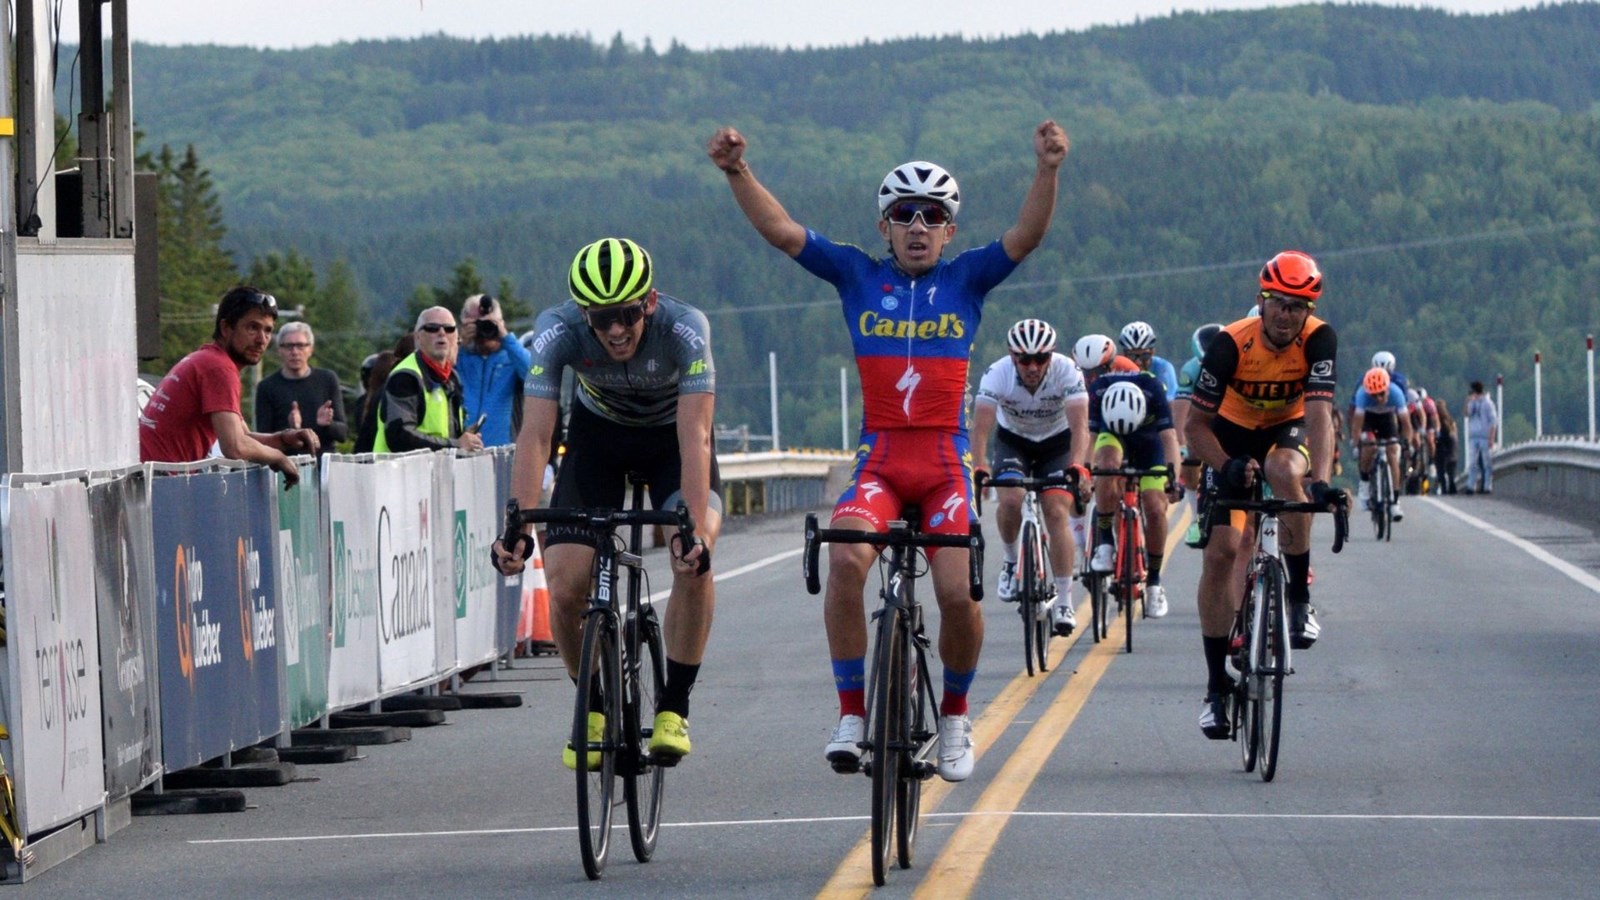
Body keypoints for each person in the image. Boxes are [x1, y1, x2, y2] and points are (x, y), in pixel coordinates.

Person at [707, 118, 1068, 782]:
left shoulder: (968, 279)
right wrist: (737, 172)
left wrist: (1046, 170)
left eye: (935, 214)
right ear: (885, 226)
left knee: (958, 593)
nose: (919, 225)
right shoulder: (854, 274)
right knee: (845, 559)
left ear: (950, 229)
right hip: (878, 459)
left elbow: (1028, 235)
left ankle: (956, 717)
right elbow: (784, 231)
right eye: (905, 213)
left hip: (942, 464)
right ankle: (852, 712)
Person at [491, 237, 719, 768]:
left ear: (650, 303)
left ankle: (674, 707)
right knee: (567, 584)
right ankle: (592, 706)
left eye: (627, 314)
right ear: (582, 314)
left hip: (672, 441)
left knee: (695, 559)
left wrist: (691, 531)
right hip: (599, 440)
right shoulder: (556, 330)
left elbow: (697, 439)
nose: (616, 330)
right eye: (601, 319)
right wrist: (519, 524)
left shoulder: (687, 329)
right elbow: (536, 437)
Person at [1185, 250, 1343, 740]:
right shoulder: (1231, 344)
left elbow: (1319, 413)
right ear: (1262, 299)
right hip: (1228, 438)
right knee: (1223, 553)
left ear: (1309, 309)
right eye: (1278, 302)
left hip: (1286, 432)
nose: (1285, 314)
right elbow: (1195, 426)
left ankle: (1298, 598)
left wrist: (1319, 477)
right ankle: (1216, 687)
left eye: (1297, 306)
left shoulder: (1319, 339)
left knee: (1284, 471)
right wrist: (1225, 466)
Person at [970, 318, 1090, 637]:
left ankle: (1064, 599)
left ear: (1051, 356)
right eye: (1025, 359)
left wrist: (1078, 466)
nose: (1033, 367)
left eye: (1041, 358)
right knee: (1010, 499)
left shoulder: (1067, 371)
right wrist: (979, 465)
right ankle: (1011, 563)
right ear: (1013, 357)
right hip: (1014, 442)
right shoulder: (997, 374)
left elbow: (1080, 427)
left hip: (1057, 443)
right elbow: (980, 428)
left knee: (1056, 511)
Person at [139, 286, 320, 486]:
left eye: (268, 330)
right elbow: (235, 447)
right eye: (252, 327)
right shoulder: (219, 368)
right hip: (157, 485)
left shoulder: (206, 359)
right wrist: (279, 457)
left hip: (151, 481)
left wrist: (285, 438)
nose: (261, 340)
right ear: (226, 328)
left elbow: (244, 437)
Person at [1075, 334, 1182, 619]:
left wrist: (1175, 479)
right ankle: (1106, 540)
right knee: (1107, 462)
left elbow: (1170, 438)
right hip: (1114, 437)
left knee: (1156, 507)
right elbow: (1091, 438)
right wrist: (1084, 474)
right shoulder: (1098, 389)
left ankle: (1155, 582)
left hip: (1149, 442)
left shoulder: (1152, 388)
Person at [374, 308, 484, 454]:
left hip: (435, 472)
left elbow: (443, 434)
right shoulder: (405, 376)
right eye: (432, 328)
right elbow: (399, 437)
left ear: (457, 337)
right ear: (418, 337)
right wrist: (456, 444)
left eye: (449, 328)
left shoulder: (452, 377)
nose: (442, 333)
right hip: (399, 473)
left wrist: (464, 437)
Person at [253, 321, 349, 457]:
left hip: (323, 464)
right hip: (287, 465)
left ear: (311, 349)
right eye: (288, 346)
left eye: (300, 346)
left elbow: (343, 434)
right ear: (279, 350)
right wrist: (290, 430)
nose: (295, 352)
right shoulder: (267, 387)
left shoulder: (327, 379)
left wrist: (327, 424)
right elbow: (263, 439)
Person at [457, 293, 532, 447]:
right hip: (462, 450)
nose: (484, 329)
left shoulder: (512, 357)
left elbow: (534, 374)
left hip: (504, 451)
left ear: (501, 323)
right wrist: (459, 341)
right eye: (476, 324)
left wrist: (505, 337)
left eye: (489, 323)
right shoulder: (460, 356)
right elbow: (438, 374)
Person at [1175, 323, 1223, 544]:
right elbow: (1182, 409)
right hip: (1202, 416)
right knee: (1190, 455)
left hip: (1229, 415)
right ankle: (1196, 517)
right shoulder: (1191, 370)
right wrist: (1182, 444)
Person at [1350, 366, 1415, 520]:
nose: (1379, 399)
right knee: (1369, 447)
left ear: (1387, 388)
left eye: (1381, 394)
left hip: (1388, 418)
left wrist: (1407, 443)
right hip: (1369, 419)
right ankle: (1365, 485)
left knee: (1393, 453)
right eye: (1374, 395)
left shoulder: (1396, 393)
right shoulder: (1362, 395)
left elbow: (1406, 425)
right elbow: (1357, 426)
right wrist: (1356, 444)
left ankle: (1395, 502)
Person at [1463, 380, 1498, 494]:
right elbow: (1467, 414)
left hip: (1484, 436)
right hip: (1474, 436)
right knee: (1472, 462)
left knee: (1486, 462)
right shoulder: (1473, 403)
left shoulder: (1488, 403)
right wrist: (1468, 402)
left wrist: (1491, 438)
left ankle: (1487, 485)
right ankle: (1470, 485)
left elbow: (1493, 421)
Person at [1433, 397, 1459, 494]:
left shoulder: (1440, 424)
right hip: (1453, 452)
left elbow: (1440, 438)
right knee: (1451, 473)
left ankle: (1444, 490)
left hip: (1443, 451)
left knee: (1441, 473)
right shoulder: (1451, 422)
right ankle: (1451, 488)